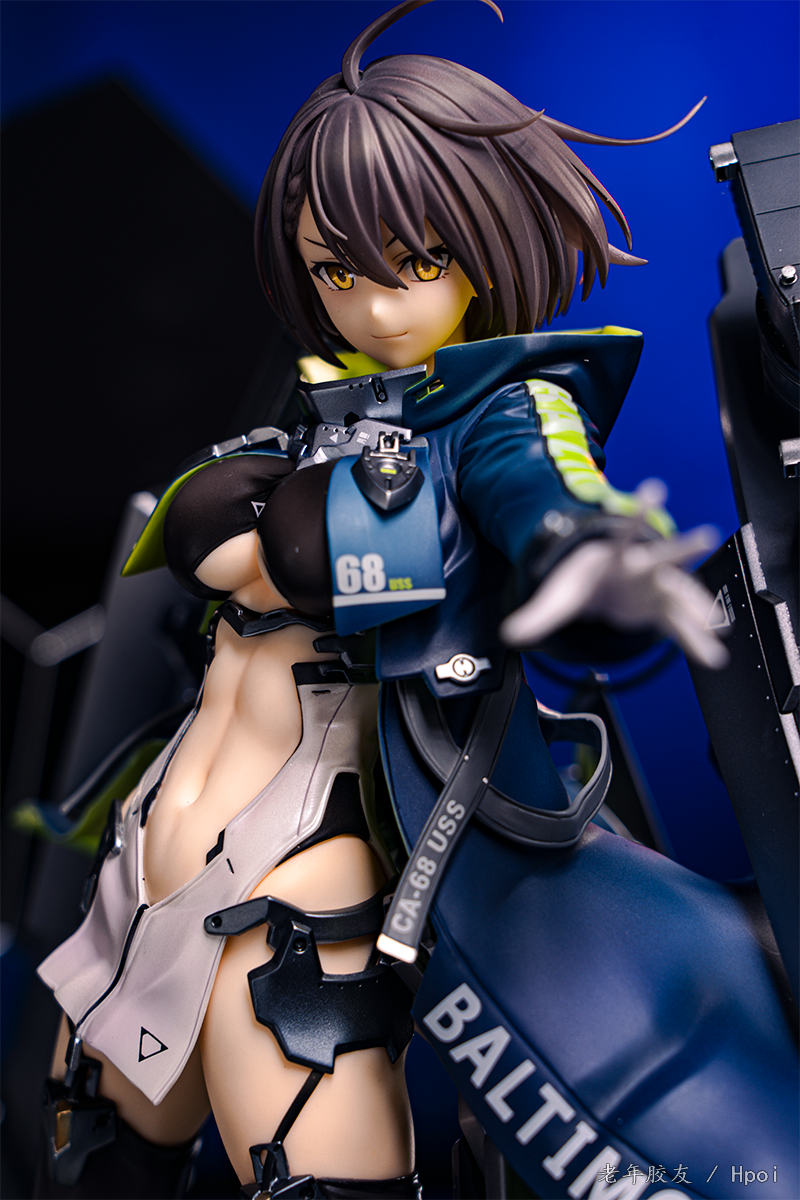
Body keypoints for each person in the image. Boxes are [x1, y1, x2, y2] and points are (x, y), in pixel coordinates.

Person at [34, 2, 724, 1198]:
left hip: (303, 873)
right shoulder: (322, 400)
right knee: (91, 1141)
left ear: (485, 240)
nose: (376, 308)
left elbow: (542, 485)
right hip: (152, 847)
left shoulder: (497, 409)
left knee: (305, 1153)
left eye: (420, 263)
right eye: (337, 272)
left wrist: (587, 552)